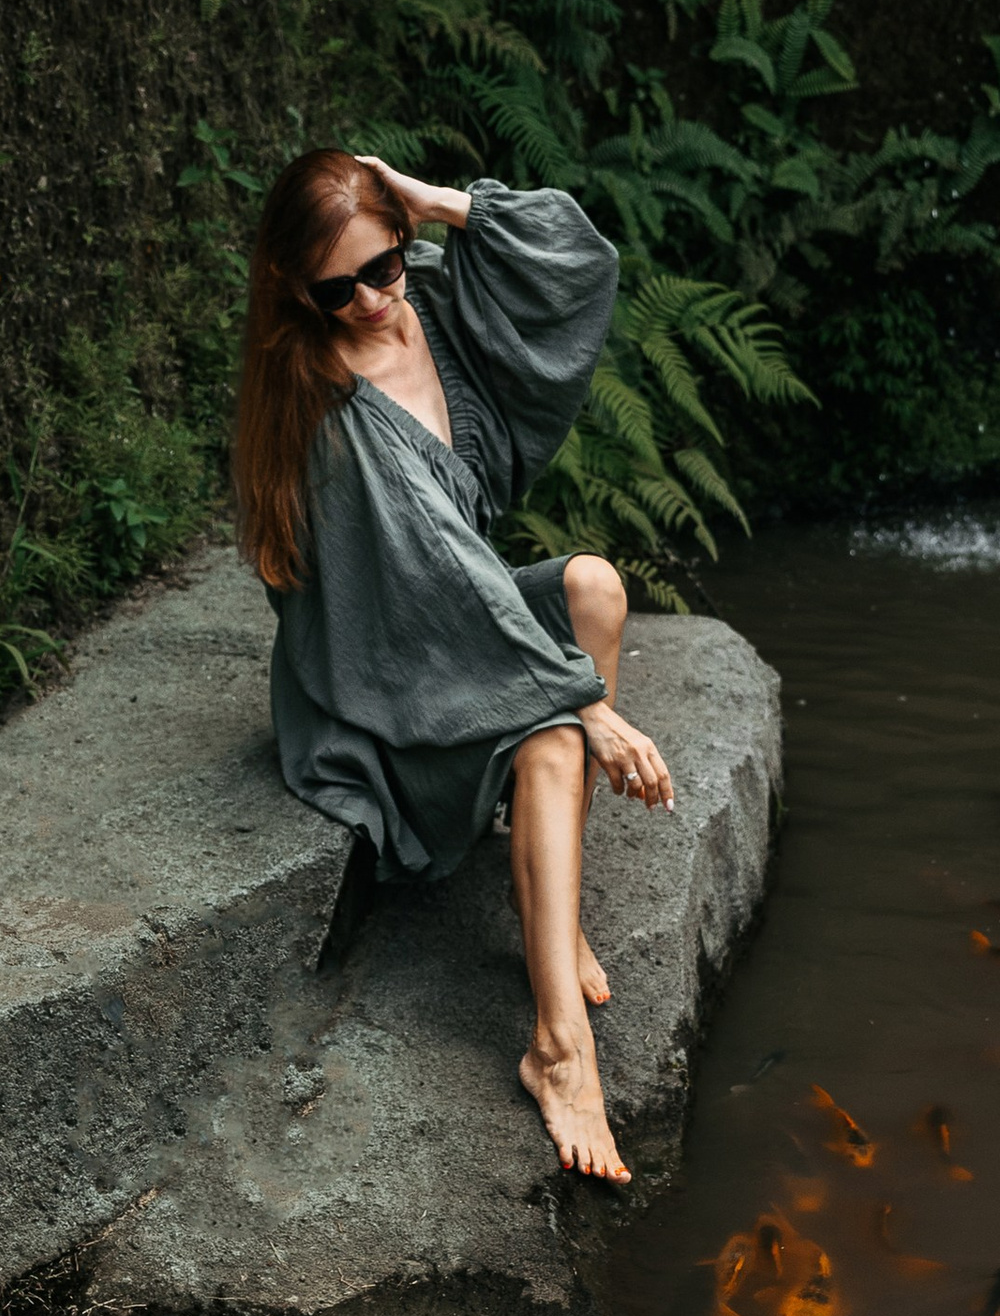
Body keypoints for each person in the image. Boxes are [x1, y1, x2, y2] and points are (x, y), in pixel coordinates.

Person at [233, 147, 675, 1182]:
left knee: (597, 589)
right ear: (295, 291)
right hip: (377, 684)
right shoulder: (327, 410)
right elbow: (430, 583)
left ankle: (546, 905)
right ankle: (558, 1050)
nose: (369, 303)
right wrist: (581, 704)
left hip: (448, 629)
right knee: (558, 735)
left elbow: (575, 260)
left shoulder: (423, 291)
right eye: (334, 289)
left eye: (383, 267)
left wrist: (443, 205)